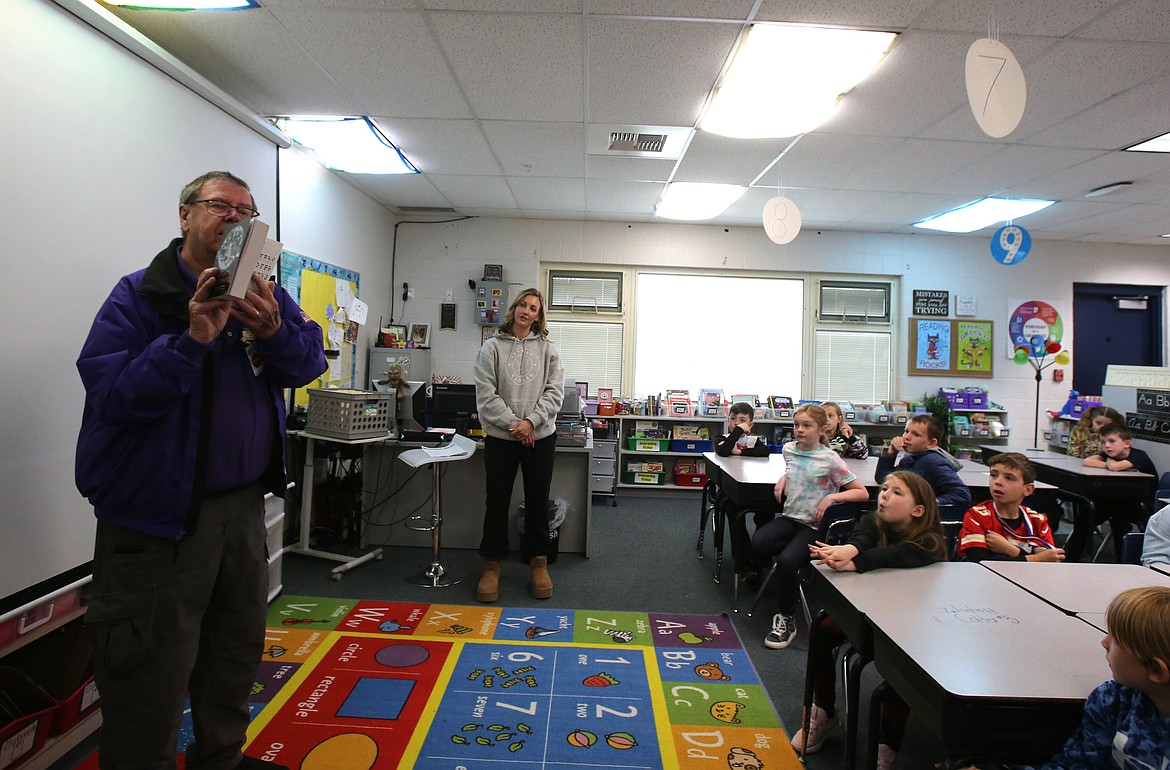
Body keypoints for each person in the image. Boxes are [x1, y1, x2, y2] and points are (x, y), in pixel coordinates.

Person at [75, 171, 327, 770]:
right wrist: (190, 340)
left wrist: (271, 330)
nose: (234, 219)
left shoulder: (263, 292)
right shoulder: (139, 296)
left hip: (242, 512)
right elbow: (115, 396)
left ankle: (221, 759)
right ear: (185, 215)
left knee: (232, 656)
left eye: (246, 212)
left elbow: (308, 360)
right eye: (220, 207)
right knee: (150, 677)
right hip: (159, 522)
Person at [792, 471, 948, 768]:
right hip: (866, 610)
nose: (885, 494)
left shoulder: (929, 541)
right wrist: (848, 551)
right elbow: (862, 537)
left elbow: (903, 554)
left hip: (912, 622)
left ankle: (888, 745)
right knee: (822, 630)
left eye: (897, 492)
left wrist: (859, 561)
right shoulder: (872, 521)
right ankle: (824, 712)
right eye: (885, 488)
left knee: (901, 666)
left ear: (918, 510)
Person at [1003, 586, 1170, 770]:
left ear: (1156, 671)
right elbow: (1080, 765)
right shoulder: (1114, 700)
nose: (1104, 642)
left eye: (1115, 639)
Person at [750, 404, 869, 650]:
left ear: (822, 429)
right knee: (760, 542)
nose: (799, 430)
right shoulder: (789, 450)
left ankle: (787, 619)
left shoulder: (830, 459)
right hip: (791, 518)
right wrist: (784, 478)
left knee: (787, 562)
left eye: (807, 426)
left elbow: (862, 493)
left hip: (813, 527)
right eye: (796, 425)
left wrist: (832, 498)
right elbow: (795, 470)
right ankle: (796, 564)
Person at [473, 288, 565, 603]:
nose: (527, 312)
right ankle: (492, 565)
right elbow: (486, 394)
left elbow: (555, 392)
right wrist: (516, 424)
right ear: (514, 310)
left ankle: (538, 562)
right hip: (502, 438)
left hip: (539, 437)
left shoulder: (549, 350)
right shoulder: (491, 348)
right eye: (523, 306)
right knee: (496, 502)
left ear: (539, 316)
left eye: (534, 308)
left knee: (538, 501)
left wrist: (532, 423)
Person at [1071, 424, 1159, 562]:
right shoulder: (1110, 455)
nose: (1107, 446)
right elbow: (1088, 461)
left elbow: (1116, 467)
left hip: (1141, 504)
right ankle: (1071, 557)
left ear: (1127, 444)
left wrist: (1111, 463)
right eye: (1103, 442)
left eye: (1112, 441)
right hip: (1119, 500)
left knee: (1120, 518)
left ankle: (1123, 560)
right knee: (1086, 514)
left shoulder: (1139, 456)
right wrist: (1109, 462)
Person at [956, 452, 1065, 562]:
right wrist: (1036, 558)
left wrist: (1011, 550)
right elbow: (981, 562)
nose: (998, 482)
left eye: (1009, 478)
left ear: (1028, 490)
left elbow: (1052, 559)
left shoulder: (1037, 521)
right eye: (994, 475)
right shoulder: (976, 516)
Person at [714, 401, 774, 585]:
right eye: (733, 419)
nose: (736, 423)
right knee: (735, 514)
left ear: (751, 424)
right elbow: (723, 450)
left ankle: (760, 560)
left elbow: (765, 452)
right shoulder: (721, 437)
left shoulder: (756, 440)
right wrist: (737, 432)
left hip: (754, 489)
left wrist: (739, 453)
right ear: (728, 420)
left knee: (768, 511)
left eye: (742, 420)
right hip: (730, 492)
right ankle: (744, 563)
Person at [874, 414, 972, 509]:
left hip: (922, 520)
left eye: (916, 434)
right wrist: (891, 451)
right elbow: (883, 479)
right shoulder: (909, 460)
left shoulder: (933, 462)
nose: (907, 437)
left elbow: (962, 494)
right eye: (906, 431)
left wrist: (927, 504)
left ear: (931, 443)